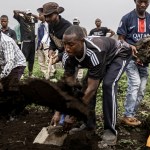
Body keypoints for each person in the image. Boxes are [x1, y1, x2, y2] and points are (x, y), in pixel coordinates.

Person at [61, 25, 132, 145]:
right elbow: (67, 85)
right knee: (84, 86)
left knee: (108, 85)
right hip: (102, 59)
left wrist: (74, 114)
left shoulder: (94, 53)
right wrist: (59, 112)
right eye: (64, 44)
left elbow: (92, 88)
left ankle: (110, 130)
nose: (67, 48)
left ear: (82, 42)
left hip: (119, 54)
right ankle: (89, 125)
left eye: (71, 44)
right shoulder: (67, 56)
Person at [37, 2, 72, 126]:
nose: (47, 19)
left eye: (49, 16)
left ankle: (67, 116)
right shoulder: (51, 25)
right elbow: (52, 40)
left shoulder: (67, 27)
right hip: (64, 56)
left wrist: (60, 57)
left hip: (73, 58)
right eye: (45, 16)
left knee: (69, 85)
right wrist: (52, 49)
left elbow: (72, 48)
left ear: (57, 14)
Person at [117, 0, 150, 126]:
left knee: (141, 90)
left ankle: (131, 114)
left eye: (146, 2)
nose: (143, 4)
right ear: (135, 1)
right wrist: (130, 46)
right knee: (135, 84)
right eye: (140, 1)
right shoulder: (127, 18)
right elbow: (121, 40)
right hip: (130, 59)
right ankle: (128, 115)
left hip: (144, 61)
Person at [13, 9, 38, 77]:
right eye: (28, 14)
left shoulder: (32, 21)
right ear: (25, 15)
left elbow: (37, 17)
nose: (29, 16)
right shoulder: (21, 20)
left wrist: (31, 14)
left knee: (31, 59)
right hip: (25, 42)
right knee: (23, 58)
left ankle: (30, 74)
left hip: (33, 43)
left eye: (30, 14)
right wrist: (23, 12)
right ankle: (21, 74)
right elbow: (14, 11)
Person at [36, 12, 53, 79]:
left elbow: (47, 34)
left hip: (46, 44)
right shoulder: (40, 24)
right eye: (39, 15)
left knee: (48, 59)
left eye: (40, 15)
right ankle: (44, 73)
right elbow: (38, 35)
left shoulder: (47, 24)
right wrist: (38, 44)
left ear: (44, 16)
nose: (39, 16)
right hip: (39, 44)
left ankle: (51, 73)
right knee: (41, 60)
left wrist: (42, 42)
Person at [72, 17, 87, 81]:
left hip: (80, 47)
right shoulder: (71, 29)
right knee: (74, 63)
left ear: (78, 22)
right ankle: (74, 78)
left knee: (80, 62)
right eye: (74, 23)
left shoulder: (82, 29)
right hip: (73, 48)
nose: (75, 24)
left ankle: (80, 78)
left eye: (76, 23)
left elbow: (86, 37)